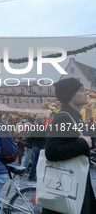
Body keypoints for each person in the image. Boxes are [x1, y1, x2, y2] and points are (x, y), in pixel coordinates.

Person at [43, 78, 96, 214]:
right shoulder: (64, 118)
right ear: (71, 96)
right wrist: (83, 143)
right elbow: (52, 151)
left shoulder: (71, 117)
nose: (86, 94)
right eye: (81, 90)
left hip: (71, 186)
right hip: (67, 189)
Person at [28, 116, 46, 181]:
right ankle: (34, 175)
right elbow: (45, 138)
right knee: (39, 162)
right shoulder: (43, 128)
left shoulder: (33, 128)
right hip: (40, 146)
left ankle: (32, 175)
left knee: (34, 161)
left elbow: (30, 137)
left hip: (34, 146)